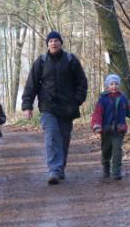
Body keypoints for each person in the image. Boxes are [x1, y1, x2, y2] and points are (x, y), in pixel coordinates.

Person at [21, 31, 88, 185]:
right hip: (48, 107)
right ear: (47, 44)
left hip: (67, 108)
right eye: (51, 40)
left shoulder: (71, 60)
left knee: (64, 139)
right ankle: (54, 170)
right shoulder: (41, 61)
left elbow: (82, 83)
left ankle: (60, 168)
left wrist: (77, 100)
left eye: (56, 40)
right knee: (52, 137)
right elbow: (31, 85)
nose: (54, 43)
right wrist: (27, 105)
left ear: (61, 43)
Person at [91, 74, 130, 180]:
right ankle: (106, 168)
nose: (114, 86)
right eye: (111, 84)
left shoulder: (122, 98)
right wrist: (96, 125)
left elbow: (129, 109)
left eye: (116, 84)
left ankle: (116, 172)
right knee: (106, 150)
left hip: (119, 130)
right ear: (107, 85)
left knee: (117, 151)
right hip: (106, 130)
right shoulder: (103, 99)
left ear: (118, 85)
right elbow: (97, 114)